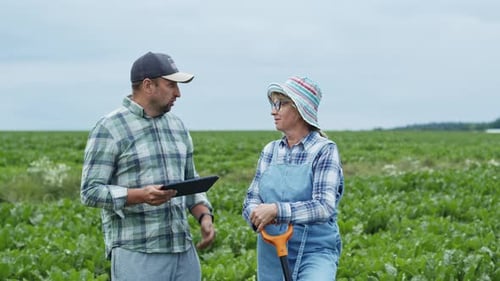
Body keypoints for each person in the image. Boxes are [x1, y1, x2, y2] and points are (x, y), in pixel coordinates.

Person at [81, 51, 216, 281]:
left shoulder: (177, 126)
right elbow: (90, 192)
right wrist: (140, 195)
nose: (178, 93)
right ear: (148, 85)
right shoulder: (110, 127)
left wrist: (204, 216)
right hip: (137, 252)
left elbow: (190, 182)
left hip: (182, 250)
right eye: (171, 85)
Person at [242, 76, 344, 280]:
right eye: (273, 104)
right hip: (272, 251)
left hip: (314, 252)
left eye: (280, 104)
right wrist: (256, 215)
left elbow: (324, 206)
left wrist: (276, 211)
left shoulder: (324, 150)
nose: (273, 110)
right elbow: (251, 199)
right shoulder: (270, 151)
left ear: (299, 109)